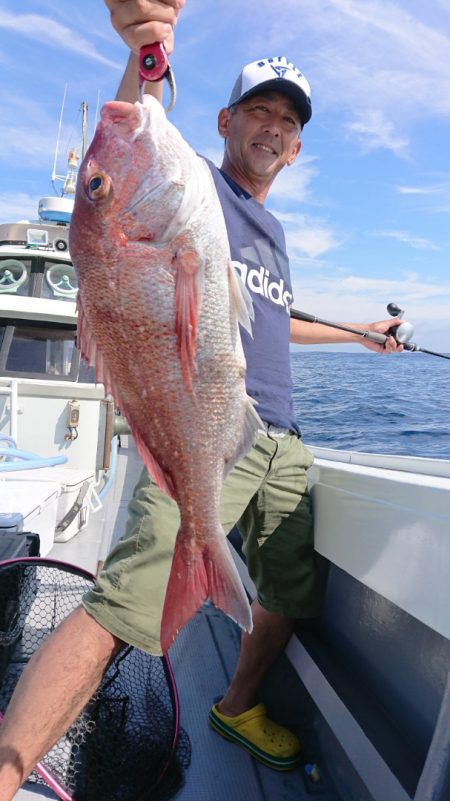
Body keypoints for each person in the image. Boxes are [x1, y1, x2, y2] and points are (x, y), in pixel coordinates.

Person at [0, 1, 404, 796]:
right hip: (203, 423)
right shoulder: (194, 193)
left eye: (288, 122)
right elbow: (128, 141)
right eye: (260, 110)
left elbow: (275, 322)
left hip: (279, 435)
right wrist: (148, 48)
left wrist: (361, 333)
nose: (274, 128)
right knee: (125, 607)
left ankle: (235, 701)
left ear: (296, 149)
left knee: (290, 591)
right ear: (222, 120)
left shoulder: (273, 233)